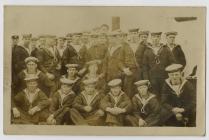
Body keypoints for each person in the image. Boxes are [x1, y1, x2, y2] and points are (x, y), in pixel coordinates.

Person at [102, 30, 137, 97]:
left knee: (120, 93)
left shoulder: (123, 47)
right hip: (109, 75)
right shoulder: (109, 48)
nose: (110, 40)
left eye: (112, 38)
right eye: (109, 38)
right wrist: (104, 73)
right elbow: (105, 62)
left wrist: (124, 70)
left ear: (116, 38)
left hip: (119, 75)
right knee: (110, 93)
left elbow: (123, 62)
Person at [142, 32, 175, 97]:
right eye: (154, 37)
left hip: (164, 77)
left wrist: (170, 77)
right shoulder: (147, 50)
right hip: (152, 78)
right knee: (154, 96)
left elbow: (172, 63)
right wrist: (146, 79)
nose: (156, 39)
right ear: (151, 38)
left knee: (164, 95)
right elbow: (145, 66)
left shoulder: (166, 49)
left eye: (157, 37)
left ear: (160, 38)